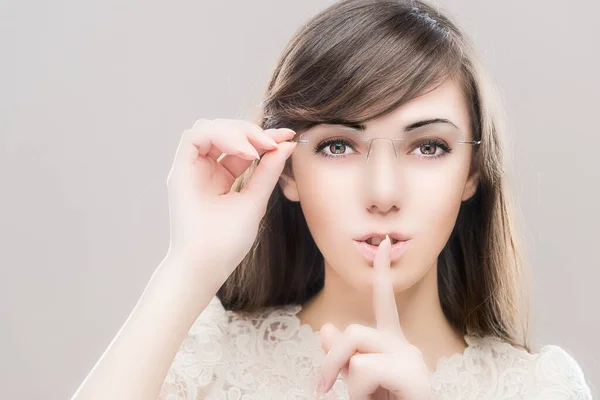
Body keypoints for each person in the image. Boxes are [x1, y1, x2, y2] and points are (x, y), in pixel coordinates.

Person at [71, 0, 594, 399]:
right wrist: (188, 264)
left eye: (429, 146)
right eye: (338, 146)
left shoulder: (543, 387)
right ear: (287, 170)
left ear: (472, 172)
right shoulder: (201, 360)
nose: (384, 194)